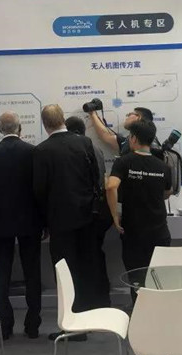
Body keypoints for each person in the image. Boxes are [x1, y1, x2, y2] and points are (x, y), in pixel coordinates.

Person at [33, 105, 101, 340]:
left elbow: (39, 190)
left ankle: (71, 325)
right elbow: (95, 178)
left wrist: (43, 222)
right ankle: (88, 318)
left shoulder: (42, 150)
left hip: (59, 220)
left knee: (64, 272)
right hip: (86, 216)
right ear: (63, 119)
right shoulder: (84, 143)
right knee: (85, 267)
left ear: (45, 124)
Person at [0, 113, 43, 339]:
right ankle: (33, 325)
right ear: (20, 128)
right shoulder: (33, 152)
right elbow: (39, 189)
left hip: (0, 222)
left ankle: (5, 326)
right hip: (30, 221)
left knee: (1, 274)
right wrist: (43, 222)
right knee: (32, 272)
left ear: (0, 129)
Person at [106, 120, 172, 302]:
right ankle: (159, 315)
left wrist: (115, 216)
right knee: (158, 281)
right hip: (159, 232)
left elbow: (111, 186)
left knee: (137, 282)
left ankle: (140, 315)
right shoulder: (163, 166)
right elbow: (167, 193)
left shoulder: (123, 162)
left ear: (133, 138)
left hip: (134, 233)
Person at [65, 115, 111, 308]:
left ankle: (83, 303)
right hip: (97, 213)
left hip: (78, 216)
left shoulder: (71, 150)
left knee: (78, 262)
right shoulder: (96, 149)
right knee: (95, 258)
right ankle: (101, 301)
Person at [89, 105, 154, 155]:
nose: (127, 117)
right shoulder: (127, 142)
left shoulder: (153, 145)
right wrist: (93, 114)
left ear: (138, 117)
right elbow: (105, 135)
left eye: (129, 114)